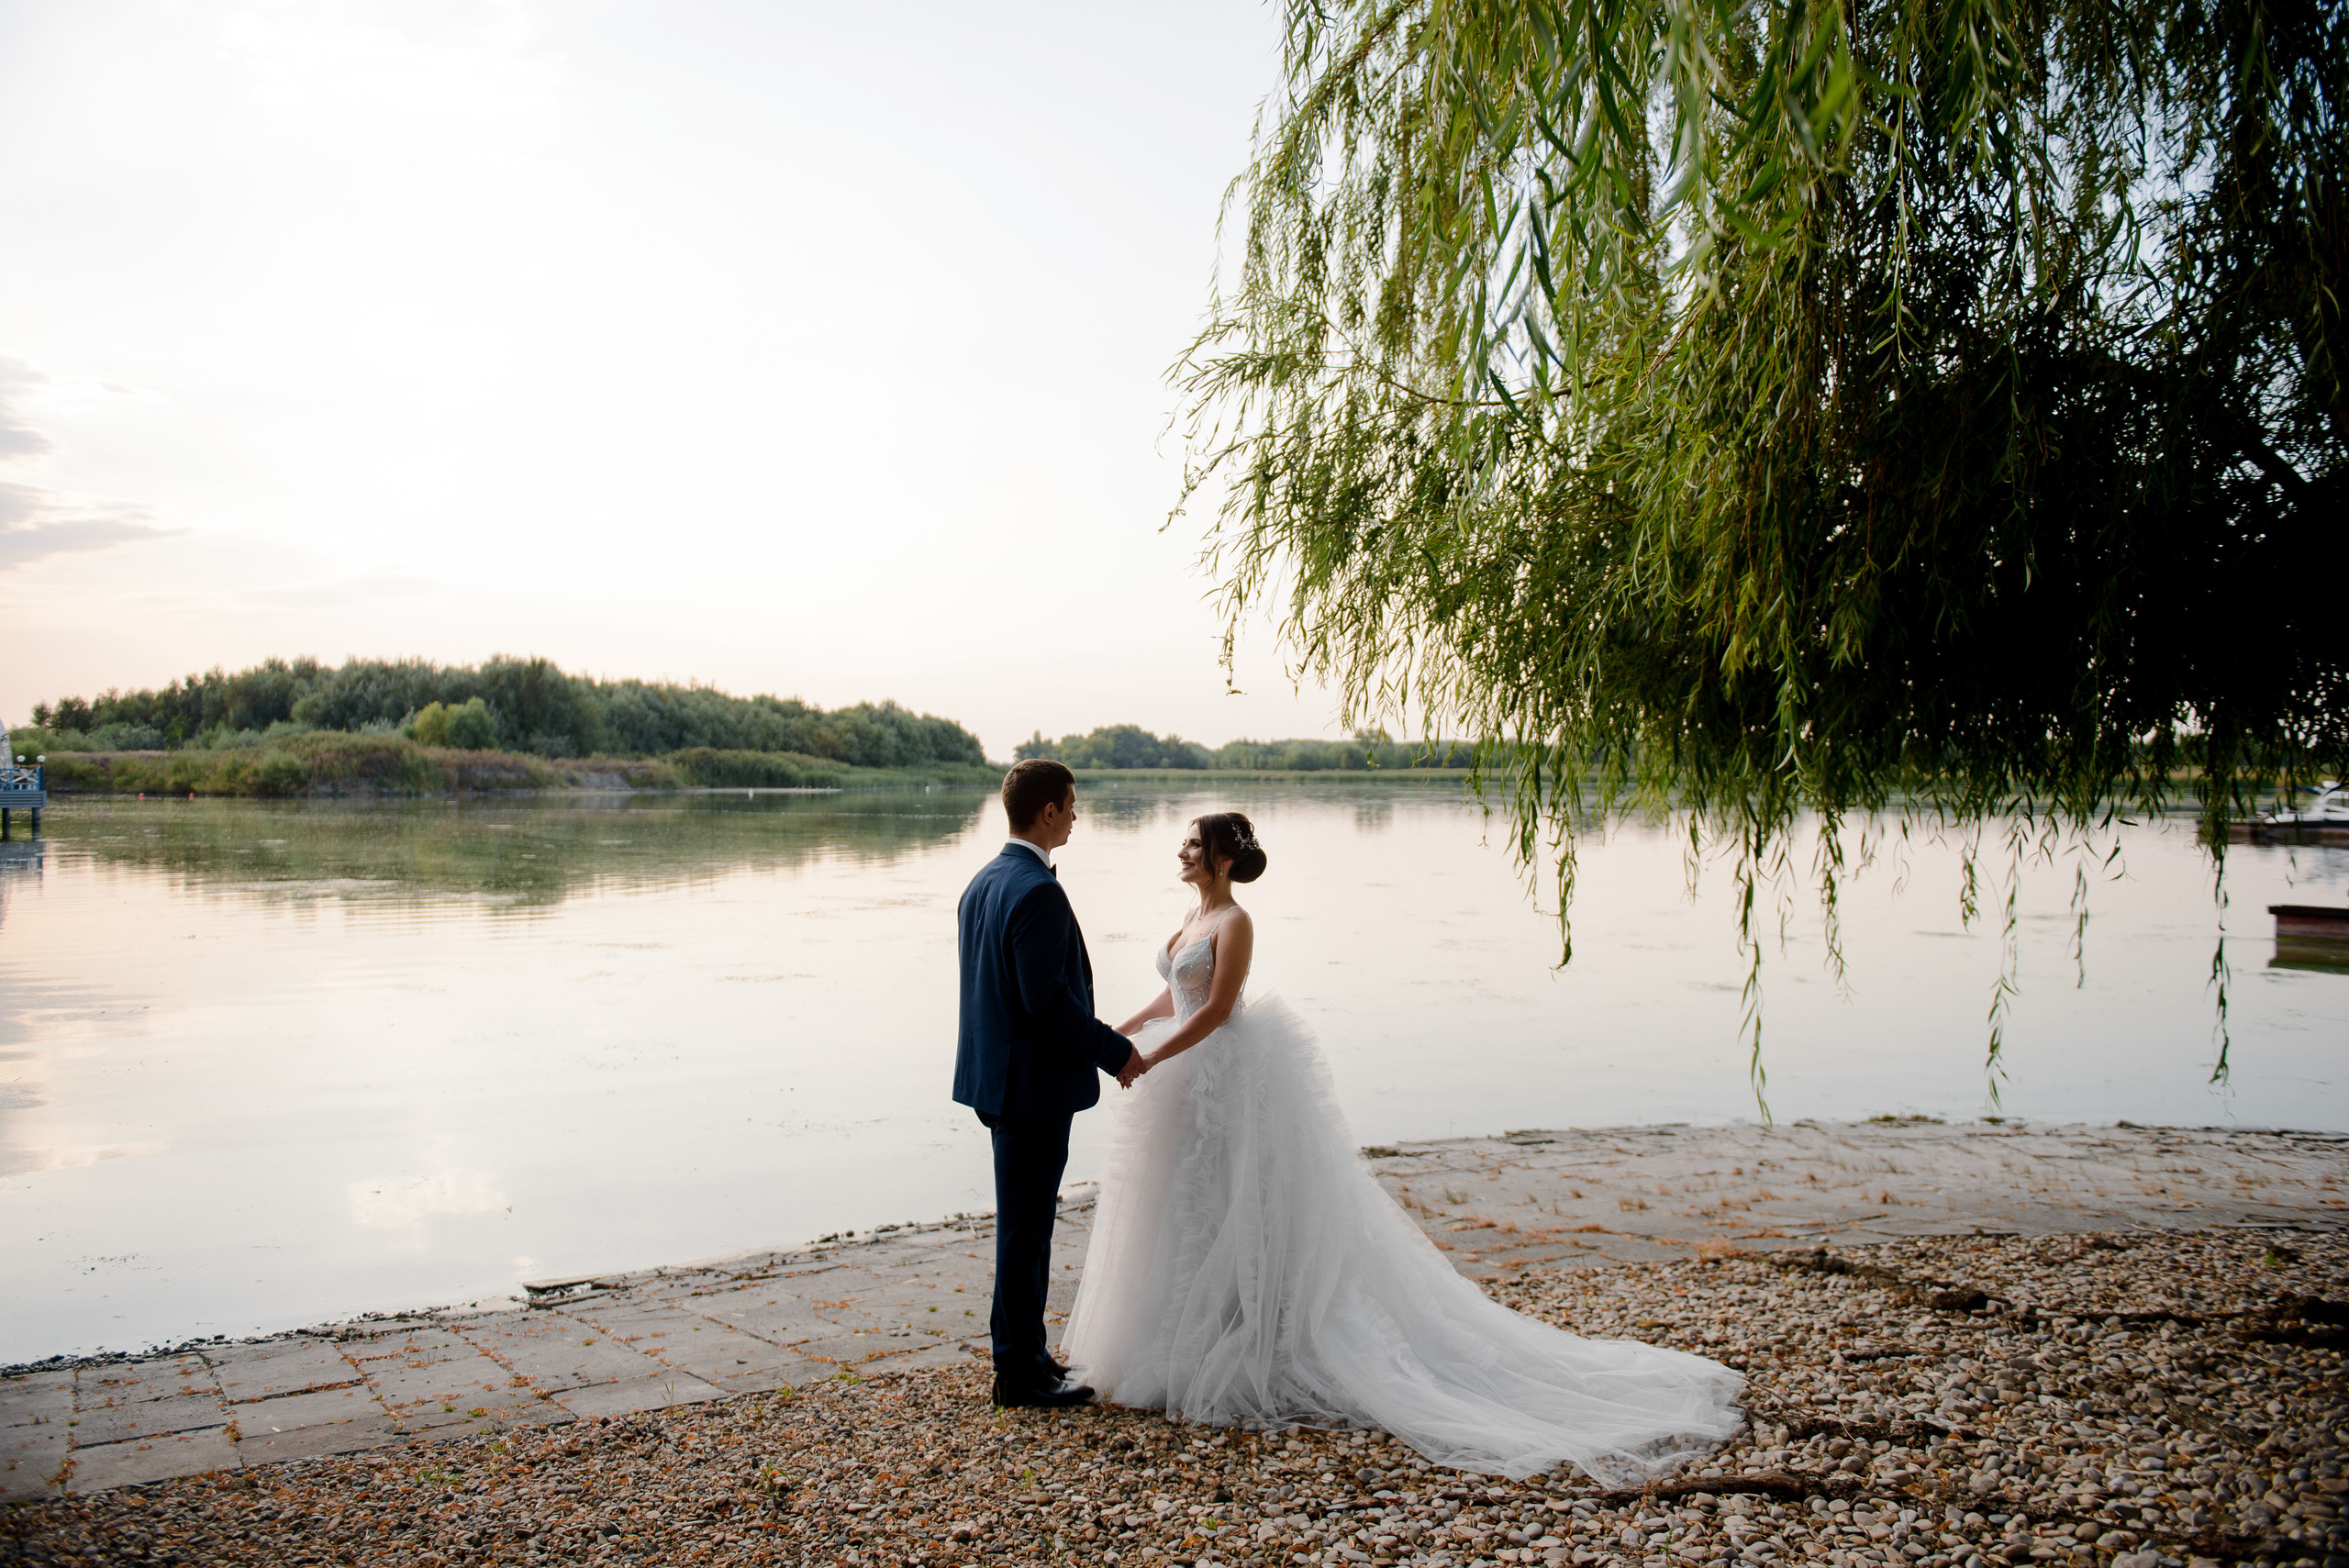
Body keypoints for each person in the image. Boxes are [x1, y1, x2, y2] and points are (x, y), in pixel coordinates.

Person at [1061, 811, 1746, 1482]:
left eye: (1194, 844)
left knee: (1238, 1201)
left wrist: (1146, 1062)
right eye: (1183, 841)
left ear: (1225, 858)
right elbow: (1172, 995)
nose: (1182, 851)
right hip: (1189, 1077)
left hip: (1223, 1074)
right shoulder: (1191, 917)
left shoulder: (1235, 920)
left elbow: (1214, 1009)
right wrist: (1111, 1036)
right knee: (1191, 1207)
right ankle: (1190, 1337)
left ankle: (1252, 1343)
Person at [953, 760, 1146, 1408]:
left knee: (1024, 1224)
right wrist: (1116, 1050)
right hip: (1031, 1087)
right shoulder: (1036, 890)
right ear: (1047, 812)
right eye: (1071, 803)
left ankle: (1027, 1356)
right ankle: (1019, 1372)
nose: (1076, 815)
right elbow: (1048, 1002)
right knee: (1027, 1229)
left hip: (997, 1079)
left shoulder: (983, 882)